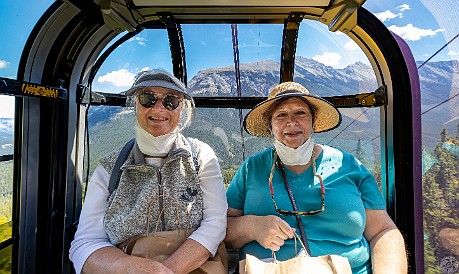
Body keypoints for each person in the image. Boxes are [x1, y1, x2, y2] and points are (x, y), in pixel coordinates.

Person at [224, 81, 407, 273]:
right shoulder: (251, 169)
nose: (291, 122)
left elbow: (383, 232)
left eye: (300, 113)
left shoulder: (350, 167)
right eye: (281, 115)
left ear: (313, 121)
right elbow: (222, 230)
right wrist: (252, 227)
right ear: (270, 126)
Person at [70, 70, 227, 274]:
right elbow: (85, 243)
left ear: (182, 108)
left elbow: (215, 223)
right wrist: (128, 267)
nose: (159, 107)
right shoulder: (109, 168)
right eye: (147, 99)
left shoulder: (201, 156)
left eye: (170, 100)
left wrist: (167, 270)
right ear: (135, 105)